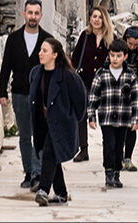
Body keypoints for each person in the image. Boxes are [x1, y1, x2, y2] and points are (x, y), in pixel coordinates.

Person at [28, 37, 87, 206]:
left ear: (55, 55)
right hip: (43, 123)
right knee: (53, 156)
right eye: (40, 50)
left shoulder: (68, 76)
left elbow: (80, 102)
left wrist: (71, 119)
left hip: (62, 124)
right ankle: (61, 193)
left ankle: (44, 190)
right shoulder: (35, 73)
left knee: (49, 151)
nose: (40, 53)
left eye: (45, 51)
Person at [0, 0, 50, 189]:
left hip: (40, 94)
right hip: (19, 92)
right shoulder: (13, 39)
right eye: (30, 13)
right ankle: (28, 172)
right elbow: (6, 67)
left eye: (36, 13)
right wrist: (2, 92)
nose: (33, 17)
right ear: (24, 14)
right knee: (24, 135)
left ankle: (37, 173)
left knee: (40, 134)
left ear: (41, 15)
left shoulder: (47, 39)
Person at [88, 39, 138, 189]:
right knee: (109, 144)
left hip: (124, 117)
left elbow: (136, 98)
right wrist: (91, 116)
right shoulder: (102, 73)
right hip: (106, 116)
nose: (115, 59)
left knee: (119, 146)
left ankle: (117, 172)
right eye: (112, 55)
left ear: (125, 57)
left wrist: (136, 118)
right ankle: (109, 172)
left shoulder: (130, 75)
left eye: (118, 56)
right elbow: (94, 96)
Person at [71, 6, 115, 162]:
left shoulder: (111, 38)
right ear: (90, 19)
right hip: (85, 80)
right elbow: (75, 58)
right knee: (82, 114)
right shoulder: (85, 36)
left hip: (104, 83)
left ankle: (109, 148)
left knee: (105, 115)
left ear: (104, 19)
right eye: (94, 16)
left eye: (100, 17)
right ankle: (83, 149)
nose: (97, 20)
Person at [120, 27, 138, 172]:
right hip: (118, 95)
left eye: (134, 45)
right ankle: (118, 156)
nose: (131, 47)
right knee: (119, 127)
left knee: (132, 127)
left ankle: (128, 157)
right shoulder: (119, 51)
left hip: (135, 95)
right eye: (129, 43)